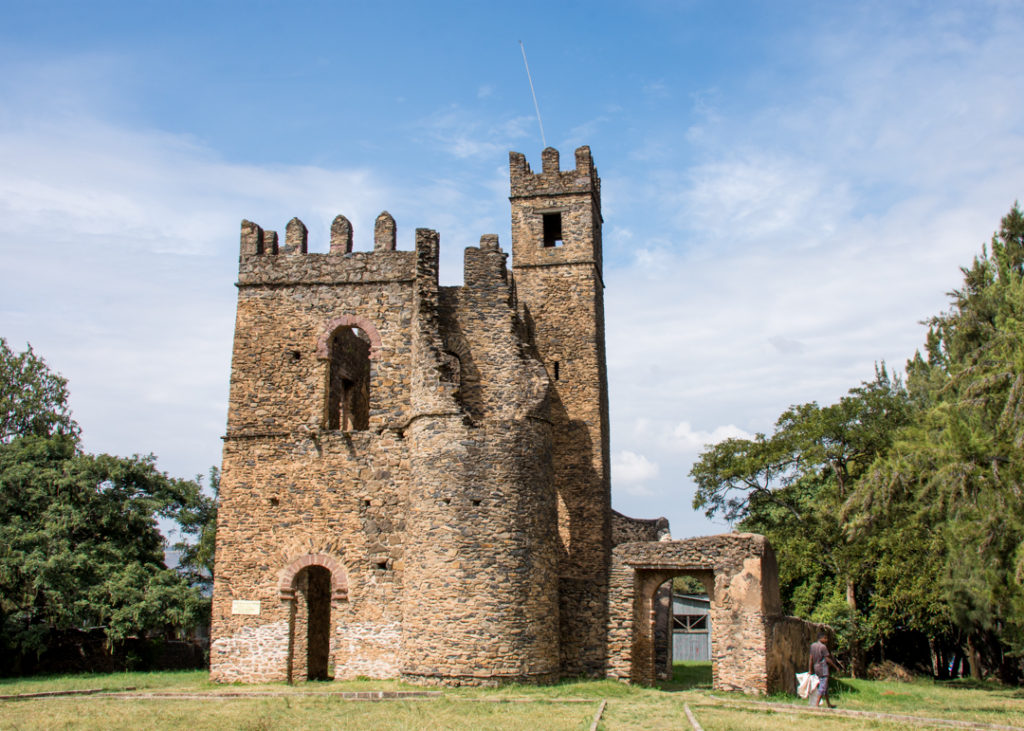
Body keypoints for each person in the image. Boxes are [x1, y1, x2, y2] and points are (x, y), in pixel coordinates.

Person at [808, 631, 843, 708]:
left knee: (825, 687)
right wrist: (836, 667)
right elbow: (827, 659)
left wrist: (810, 670)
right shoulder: (823, 647)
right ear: (821, 638)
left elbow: (811, 658)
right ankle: (817, 704)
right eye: (825, 638)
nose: (827, 640)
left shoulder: (813, 646)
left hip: (816, 667)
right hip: (823, 668)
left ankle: (828, 704)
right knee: (823, 686)